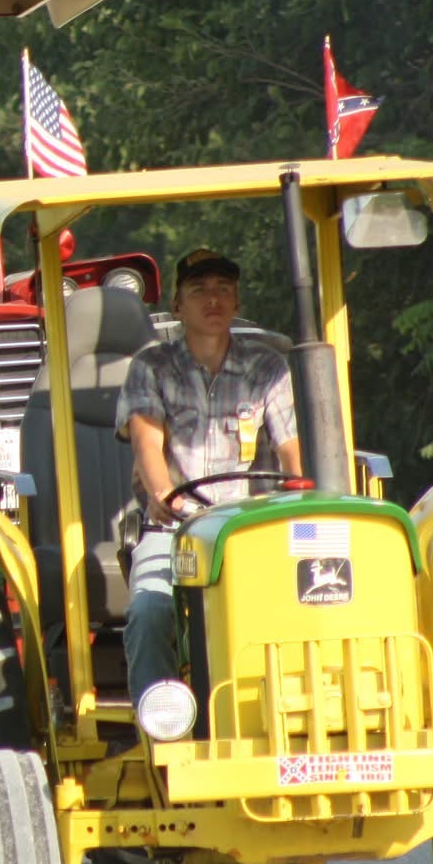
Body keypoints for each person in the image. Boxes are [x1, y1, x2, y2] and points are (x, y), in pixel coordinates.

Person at [117, 247, 302, 730]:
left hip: (253, 530)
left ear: (237, 302)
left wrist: (303, 494)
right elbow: (147, 444)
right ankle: (162, 735)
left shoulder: (268, 369)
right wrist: (165, 496)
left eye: (222, 290)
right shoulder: (151, 367)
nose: (213, 300)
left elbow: (292, 453)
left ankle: (293, 720)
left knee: (313, 597)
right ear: (177, 306)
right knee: (150, 609)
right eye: (199, 291)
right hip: (176, 530)